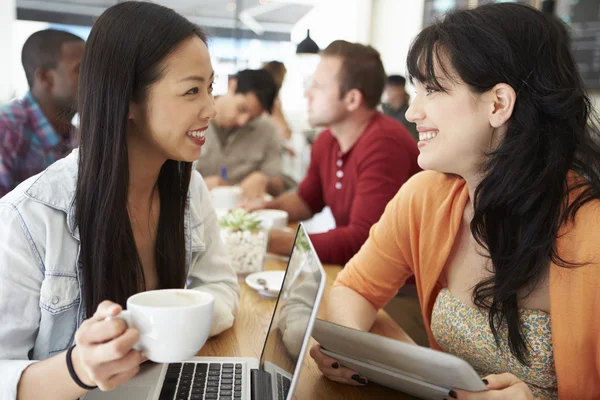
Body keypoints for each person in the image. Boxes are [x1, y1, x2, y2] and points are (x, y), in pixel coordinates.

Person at [310, 3, 600, 399]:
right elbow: (353, 289)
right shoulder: (426, 196)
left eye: (432, 89)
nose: (412, 111)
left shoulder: (591, 231)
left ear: (498, 104)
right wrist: (360, 354)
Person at [0, 2, 239, 399]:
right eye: (192, 90)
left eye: (210, 88)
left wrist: (158, 329)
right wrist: (79, 368)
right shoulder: (28, 218)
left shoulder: (189, 189)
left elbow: (220, 285)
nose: (211, 108)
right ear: (126, 100)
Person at [244, 40, 420, 266]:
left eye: (317, 85)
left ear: (352, 99)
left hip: (403, 287)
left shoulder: (384, 143)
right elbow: (307, 201)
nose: (307, 93)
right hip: (360, 271)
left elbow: (362, 240)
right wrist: (261, 210)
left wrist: (272, 241)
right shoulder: (328, 139)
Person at [0, 29, 85, 197]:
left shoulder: (78, 137)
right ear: (45, 77)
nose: (92, 78)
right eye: (81, 69)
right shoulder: (6, 130)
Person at [195, 69, 288, 199]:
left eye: (252, 118)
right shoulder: (192, 120)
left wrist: (265, 181)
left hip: (244, 212)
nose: (243, 121)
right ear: (232, 86)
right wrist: (196, 186)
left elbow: (279, 186)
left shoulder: (266, 129)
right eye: (242, 109)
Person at [381, 74, 419, 141]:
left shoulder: (410, 114)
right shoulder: (381, 110)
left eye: (396, 89)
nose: (394, 93)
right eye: (391, 89)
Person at [262, 61, 293, 141]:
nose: (284, 80)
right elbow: (285, 132)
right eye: (284, 76)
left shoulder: (263, 95)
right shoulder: (272, 99)